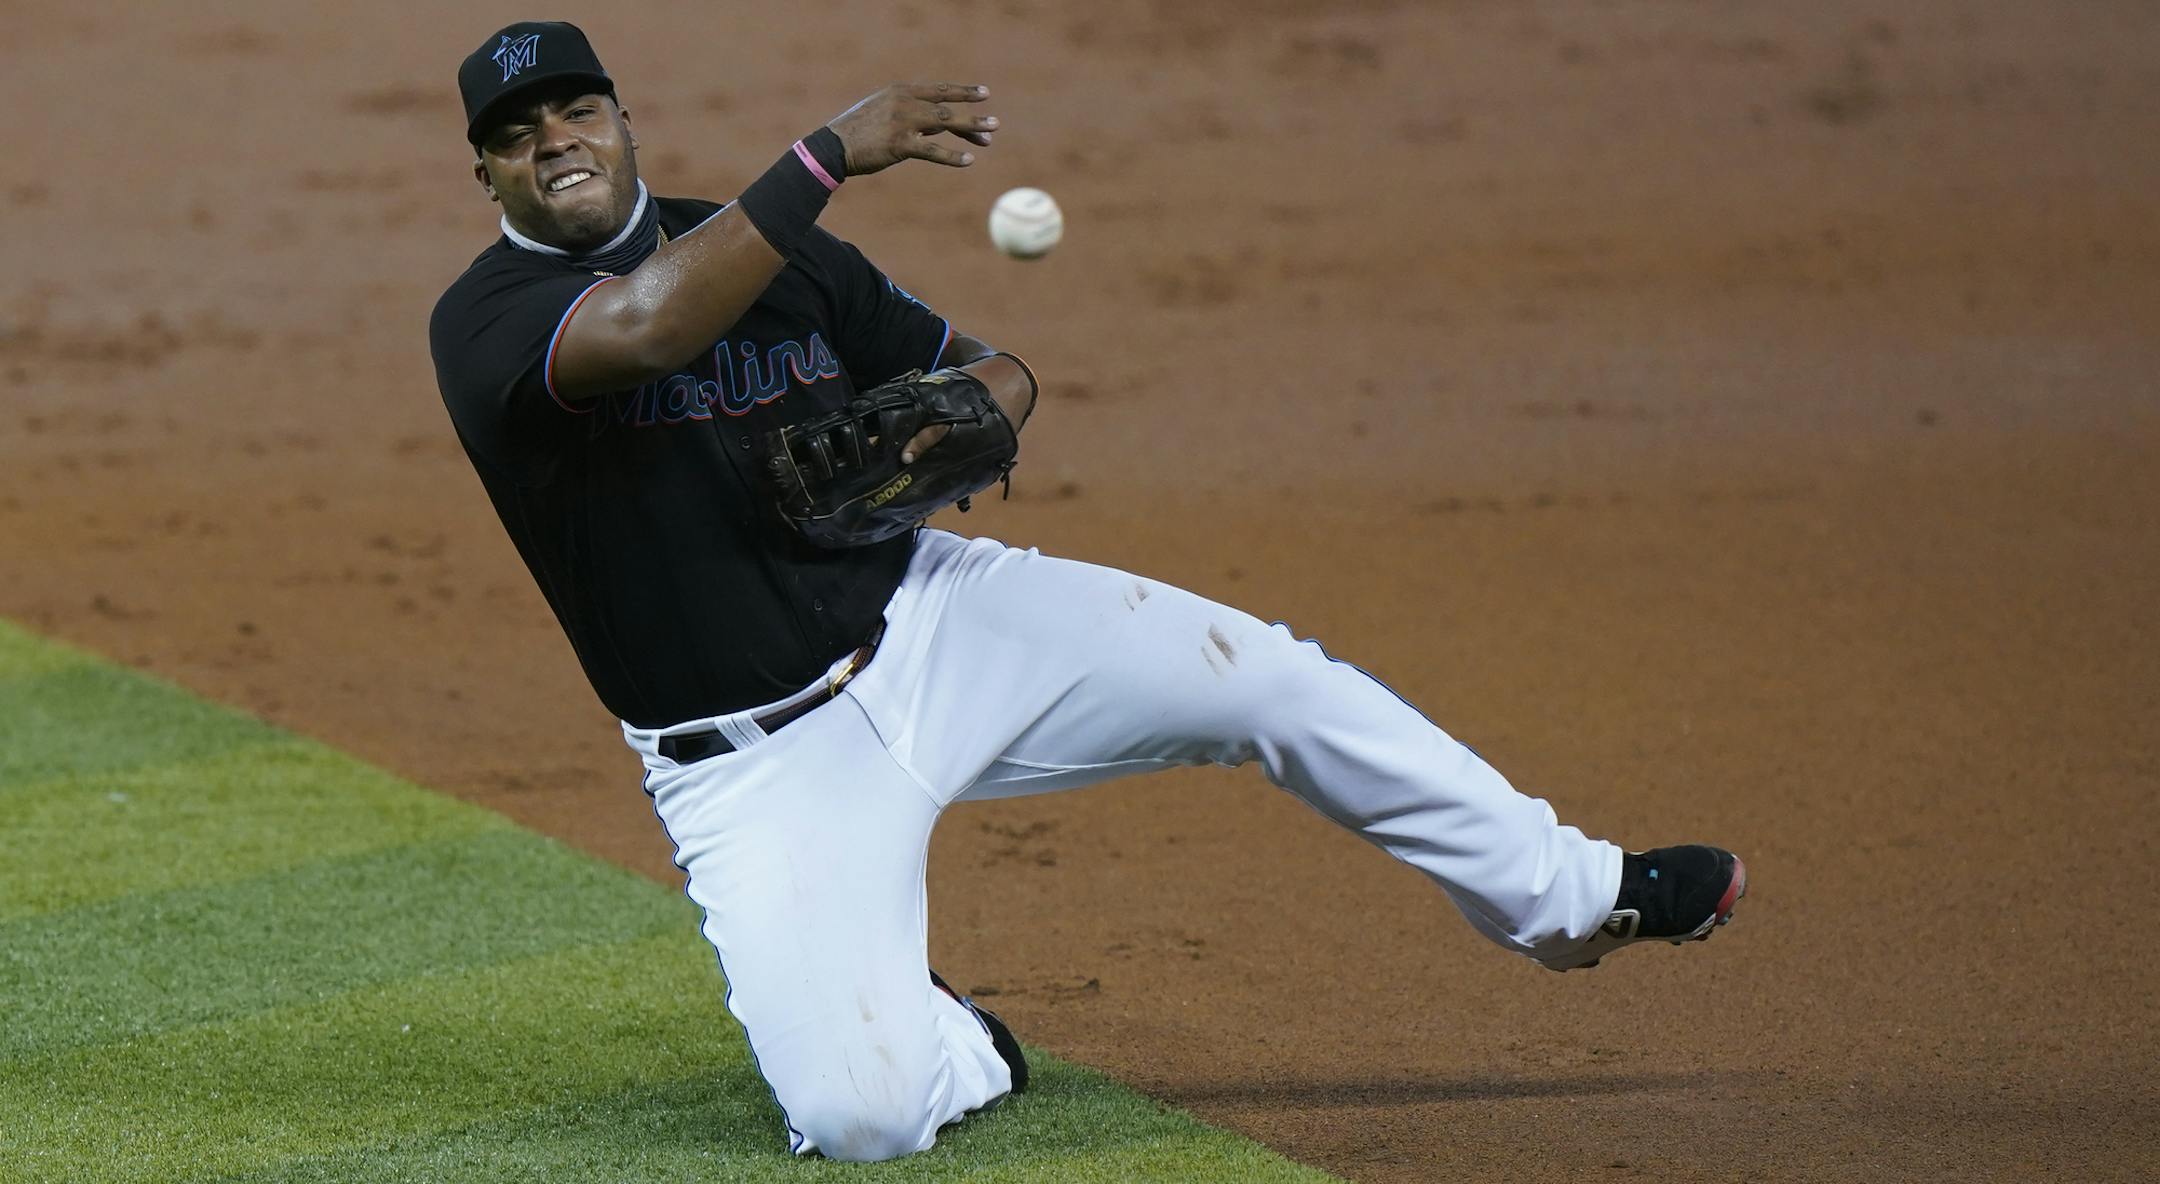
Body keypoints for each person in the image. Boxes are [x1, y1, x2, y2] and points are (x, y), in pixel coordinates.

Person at [428, 21, 1747, 1164]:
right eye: (518, 131)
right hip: (757, 766)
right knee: (864, 1122)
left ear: (622, 119)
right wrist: (825, 156)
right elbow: (651, 324)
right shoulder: (486, 322)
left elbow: (992, 369)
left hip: (937, 623)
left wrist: (944, 433)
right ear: (486, 168)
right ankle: (961, 1044)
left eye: (577, 107)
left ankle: (1572, 897)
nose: (555, 139)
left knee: (1267, 678)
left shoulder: (786, 265)